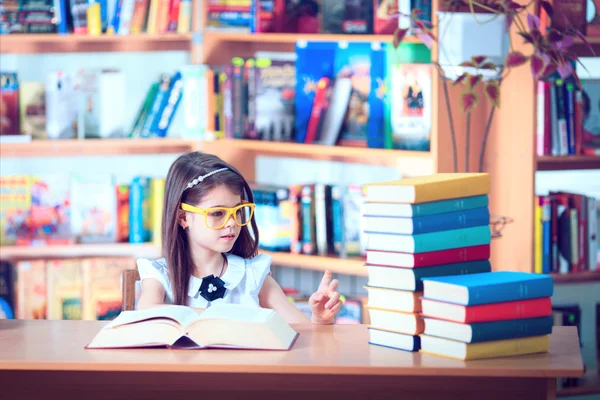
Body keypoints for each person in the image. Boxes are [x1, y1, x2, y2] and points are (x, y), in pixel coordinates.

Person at [136, 152, 343, 324]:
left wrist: (320, 319)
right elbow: (146, 315)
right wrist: (226, 317)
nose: (232, 223)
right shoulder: (160, 276)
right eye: (217, 213)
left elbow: (302, 332)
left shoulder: (252, 275)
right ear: (183, 217)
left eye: (238, 211)